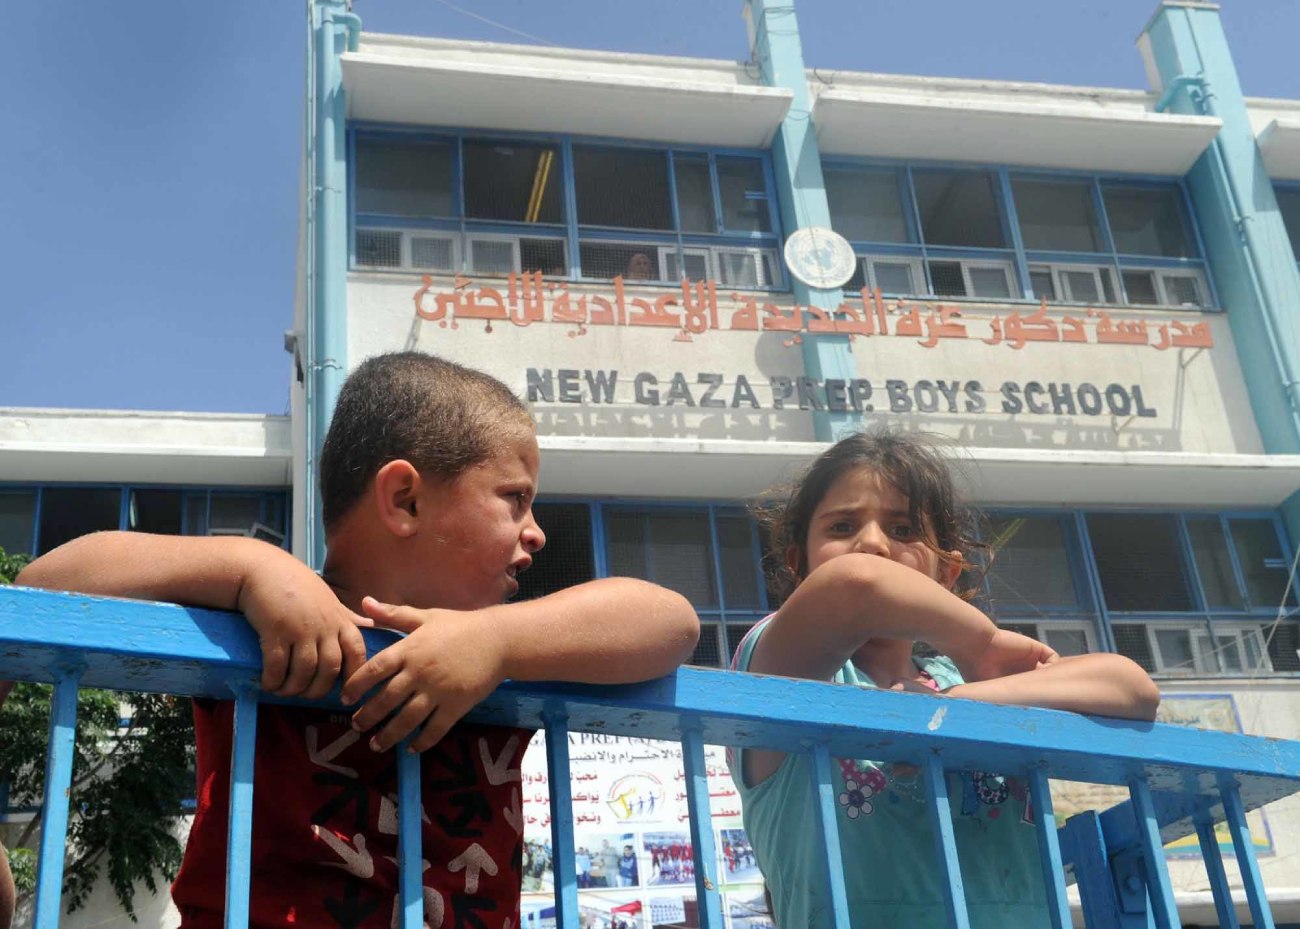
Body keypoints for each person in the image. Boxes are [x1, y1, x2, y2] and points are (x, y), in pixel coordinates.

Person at [17, 351, 699, 929]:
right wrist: (247, 565)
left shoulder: (513, 648)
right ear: (405, 500)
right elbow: (45, 584)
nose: (537, 532)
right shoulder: (264, 621)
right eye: (514, 499)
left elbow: (671, 622)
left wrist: (495, 641)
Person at [726, 429, 1159, 929]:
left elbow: (1131, 687)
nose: (872, 544)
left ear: (946, 575)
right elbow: (854, 586)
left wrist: (960, 703)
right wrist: (982, 642)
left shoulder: (964, 679)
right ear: (799, 564)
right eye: (842, 526)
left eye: (904, 529)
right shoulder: (781, 664)